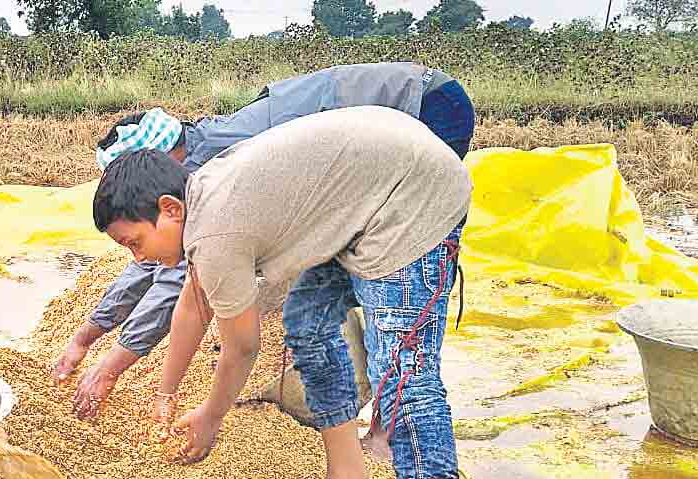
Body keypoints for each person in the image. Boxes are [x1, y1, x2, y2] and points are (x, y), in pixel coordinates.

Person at [91, 105, 473, 479]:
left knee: (407, 382)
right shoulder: (203, 205)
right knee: (308, 325)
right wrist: (166, 391)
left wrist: (211, 416)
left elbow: (242, 346)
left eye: (134, 243)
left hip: (411, 198)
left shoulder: (215, 231)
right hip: (366, 192)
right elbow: (193, 305)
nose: (139, 257)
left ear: (169, 210)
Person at [56, 62, 475, 446]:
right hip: (369, 151)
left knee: (394, 314)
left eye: (133, 242)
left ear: (159, 183)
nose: (135, 256)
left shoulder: (211, 188)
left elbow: (201, 301)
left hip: (422, 115)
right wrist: (90, 337)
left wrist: (202, 410)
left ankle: (388, 437)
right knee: (309, 312)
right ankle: (347, 456)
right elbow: (183, 285)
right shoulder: (190, 192)